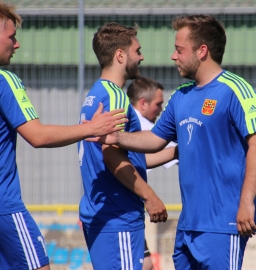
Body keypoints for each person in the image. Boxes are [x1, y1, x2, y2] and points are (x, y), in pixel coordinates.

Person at [88, 14, 256, 269]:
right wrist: (115, 136)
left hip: (223, 223)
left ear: (202, 51)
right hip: (187, 227)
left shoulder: (236, 89)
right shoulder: (181, 96)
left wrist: (246, 202)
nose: (173, 56)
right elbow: (154, 139)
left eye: (179, 50)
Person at [0, 4, 127, 270]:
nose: (17, 44)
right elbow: (37, 135)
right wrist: (92, 128)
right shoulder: (5, 81)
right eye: (11, 36)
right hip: (5, 207)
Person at [78, 22, 176, 270]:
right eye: (137, 51)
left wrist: (177, 151)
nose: (141, 57)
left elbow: (130, 157)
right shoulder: (115, 96)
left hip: (103, 213)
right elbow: (111, 155)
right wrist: (150, 196)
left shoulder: (95, 93)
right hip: (118, 214)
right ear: (120, 55)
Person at [127, 76, 178, 270]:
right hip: (121, 211)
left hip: (120, 209)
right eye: (158, 104)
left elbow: (139, 160)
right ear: (142, 104)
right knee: (144, 264)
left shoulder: (125, 119)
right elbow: (180, 151)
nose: (161, 110)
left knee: (146, 263)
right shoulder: (144, 128)